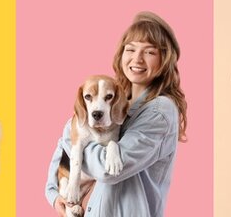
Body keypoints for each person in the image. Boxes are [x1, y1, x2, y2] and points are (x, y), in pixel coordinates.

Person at [46, 11, 188, 216]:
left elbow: (107, 169)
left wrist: (74, 133)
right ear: (121, 54)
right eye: (130, 49)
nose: (137, 59)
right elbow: (62, 146)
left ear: (164, 60)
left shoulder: (159, 111)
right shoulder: (117, 98)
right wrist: (54, 194)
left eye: (149, 52)